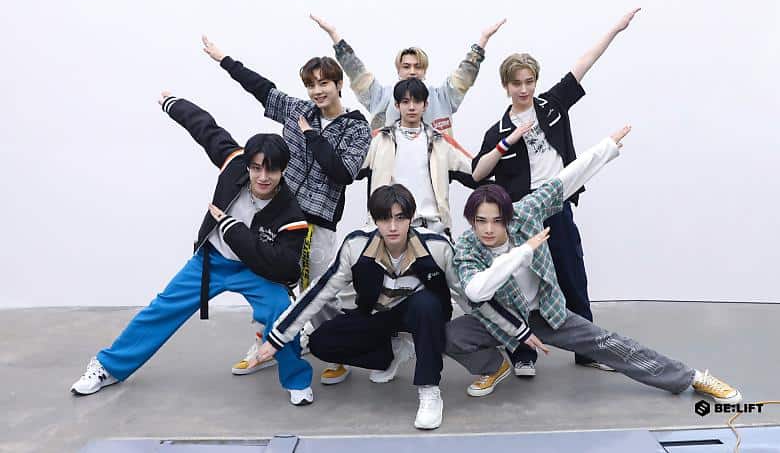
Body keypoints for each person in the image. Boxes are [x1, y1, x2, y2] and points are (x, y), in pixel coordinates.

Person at [447, 126, 742, 407]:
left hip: (546, 313)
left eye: (497, 221)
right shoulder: (467, 248)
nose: (488, 229)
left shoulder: (526, 213)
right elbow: (476, 291)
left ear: (509, 217)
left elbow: (565, 180)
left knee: (610, 344)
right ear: (471, 221)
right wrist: (523, 252)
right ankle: (494, 367)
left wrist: (607, 147)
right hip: (500, 320)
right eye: (480, 221)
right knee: (449, 336)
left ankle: (691, 378)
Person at [69, 93, 314, 405]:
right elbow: (206, 129)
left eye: (271, 170)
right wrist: (173, 104)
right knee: (162, 308)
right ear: (248, 165)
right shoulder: (233, 165)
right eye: (256, 168)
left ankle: (297, 380)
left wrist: (233, 230)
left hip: (257, 271)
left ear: (283, 170)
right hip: (212, 261)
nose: (262, 177)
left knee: (282, 312)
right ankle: (108, 367)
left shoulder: (291, 214)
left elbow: (287, 268)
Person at [249, 185, 528, 429]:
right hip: (378, 316)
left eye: (400, 218)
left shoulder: (437, 247)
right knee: (321, 342)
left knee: (426, 303)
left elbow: (471, 295)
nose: (393, 227)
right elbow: (319, 293)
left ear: (411, 218)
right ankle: (393, 352)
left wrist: (518, 331)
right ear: (375, 220)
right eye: (385, 219)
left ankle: (429, 391)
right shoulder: (356, 246)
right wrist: (276, 339)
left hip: (423, 316)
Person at [471, 8, 640, 370]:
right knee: (520, 286)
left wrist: (615, 28)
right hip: (522, 217)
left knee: (573, 277)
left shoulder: (552, 105)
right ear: (506, 86)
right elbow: (478, 173)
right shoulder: (499, 129)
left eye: (529, 81)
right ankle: (523, 354)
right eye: (517, 83)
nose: (524, 89)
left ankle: (589, 352)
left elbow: (584, 63)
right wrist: (506, 143)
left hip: (557, 207)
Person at [201, 36, 371, 380]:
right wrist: (225, 60)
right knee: (268, 281)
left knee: (318, 290)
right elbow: (262, 89)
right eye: (311, 85)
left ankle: (337, 353)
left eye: (324, 83)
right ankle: (266, 342)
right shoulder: (298, 111)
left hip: (319, 220)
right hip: (281, 214)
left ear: (339, 84)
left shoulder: (357, 128)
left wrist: (312, 136)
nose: (317, 91)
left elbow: (343, 173)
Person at [310, 14, 505, 134]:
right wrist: (334, 35)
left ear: (425, 71)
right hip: (388, 178)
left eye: (417, 67)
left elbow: (464, 76)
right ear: (398, 70)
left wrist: (482, 40)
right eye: (406, 66)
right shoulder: (381, 97)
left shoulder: (442, 97)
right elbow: (356, 71)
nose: (412, 71)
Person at [358, 78, 480, 237]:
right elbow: (348, 169)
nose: (411, 107)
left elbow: (476, 172)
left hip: (431, 227)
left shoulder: (440, 141)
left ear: (425, 105)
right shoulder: (379, 139)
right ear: (397, 105)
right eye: (405, 102)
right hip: (388, 227)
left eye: (417, 101)